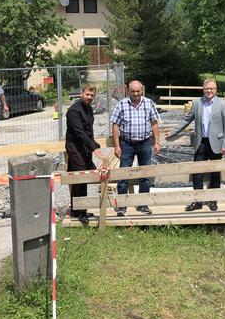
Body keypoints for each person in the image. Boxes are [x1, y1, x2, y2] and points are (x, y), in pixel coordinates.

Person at [166, 78, 225, 212]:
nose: (209, 91)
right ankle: (198, 201)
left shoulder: (223, 104)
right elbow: (186, 120)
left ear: (216, 89)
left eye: (211, 88)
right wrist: (172, 132)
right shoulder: (197, 103)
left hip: (216, 143)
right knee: (197, 173)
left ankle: (213, 200)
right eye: (207, 88)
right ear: (203, 89)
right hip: (200, 142)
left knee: (215, 174)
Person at [110, 80, 160, 216]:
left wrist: (156, 142)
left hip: (145, 143)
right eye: (133, 91)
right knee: (123, 174)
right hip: (127, 144)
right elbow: (115, 125)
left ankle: (142, 204)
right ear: (129, 91)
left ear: (142, 90)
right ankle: (122, 206)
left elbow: (154, 123)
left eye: (138, 91)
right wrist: (117, 145)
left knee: (145, 175)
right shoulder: (122, 104)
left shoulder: (149, 103)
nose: (136, 93)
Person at [65, 84, 102, 222]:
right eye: (87, 94)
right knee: (81, 177)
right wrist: (94, 147)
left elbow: (88, 130)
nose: (89, 97)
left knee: (79, 177)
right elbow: (79, 132)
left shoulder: (88, 108)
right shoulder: (74, 111)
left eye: (92, 95)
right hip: (75, 147)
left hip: (84, 147)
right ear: (82, 93)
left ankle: (77, 209)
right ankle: (81, 212)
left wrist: (93, 144)